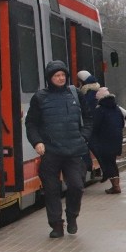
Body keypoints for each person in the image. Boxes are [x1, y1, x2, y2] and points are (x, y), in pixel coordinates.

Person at [25, 61, 91, 238]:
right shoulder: (40, 98)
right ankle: (56, 225)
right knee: (52, 190)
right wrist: (37, 142)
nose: (60, 78)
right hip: (51, 153)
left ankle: (72, 217)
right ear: (50, 78)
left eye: (63, 75)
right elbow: (31, 123)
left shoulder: (75, 94)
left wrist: (84, 136)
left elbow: (88, 117)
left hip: (74, 151)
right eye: (56, 76)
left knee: (76, 186)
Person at [89, 87, 125, 194]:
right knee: (112, 162)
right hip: (117, 138)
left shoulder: (100, 110)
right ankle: (116, 185)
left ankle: (115, 186)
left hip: (104, 140)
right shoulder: (117, 109)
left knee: (108, 163)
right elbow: (122, 124)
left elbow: (95, 126)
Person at [76, 70, 102, 173]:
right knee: (91, 145)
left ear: (82, 81)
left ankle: (89, 166)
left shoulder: (88, 92)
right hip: (95, 122)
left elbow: (87, 107)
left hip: (90, 123)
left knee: (88, 144)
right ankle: (104, 169)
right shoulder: (96, 88)